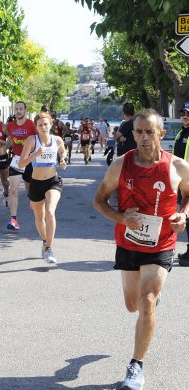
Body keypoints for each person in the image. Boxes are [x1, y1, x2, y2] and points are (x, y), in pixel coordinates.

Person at [93, 108, 189, 390]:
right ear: (133, 134)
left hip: (162, 244)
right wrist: (122, 218)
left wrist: (184, 215)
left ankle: (136, 366)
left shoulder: (177, 166)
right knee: (132, 304)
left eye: (150, 131)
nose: (144, 137)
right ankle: (149, 300)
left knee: (146, 302)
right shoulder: (121, 165)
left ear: (161, 133)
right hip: (128, 243)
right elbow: (99, 201)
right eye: (139, 132)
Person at [18, 111, 67, 264]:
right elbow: (21, 163)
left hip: (53, 181)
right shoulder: (32, 140)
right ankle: (45, 242)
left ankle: (49, 248)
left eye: (46, 124)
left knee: (50, 212)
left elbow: (62, 151)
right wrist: (35, 154)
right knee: (39, 218)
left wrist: (63, 159)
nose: (43, 127)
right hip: (36, 183)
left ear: (50, 125)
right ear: (36, 127)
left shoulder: (57, 139)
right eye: (40, 125)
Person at [5, 101, 37, 230]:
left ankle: (37, 212)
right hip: (17, 160)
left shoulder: (31, 125)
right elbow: (10, 141)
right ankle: (13, 220)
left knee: (31, 191)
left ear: (25, 111)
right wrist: (4, 146)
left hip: (29, 160)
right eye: (16, 109)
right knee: (13, 190)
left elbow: (37, 140)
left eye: (21, 109)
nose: (18, 111)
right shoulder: (10, 126)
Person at [173, 102, 189, 266]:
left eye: (188, 113)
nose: (185, 115)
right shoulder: (182, 133)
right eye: (183, 113)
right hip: (182, 180)